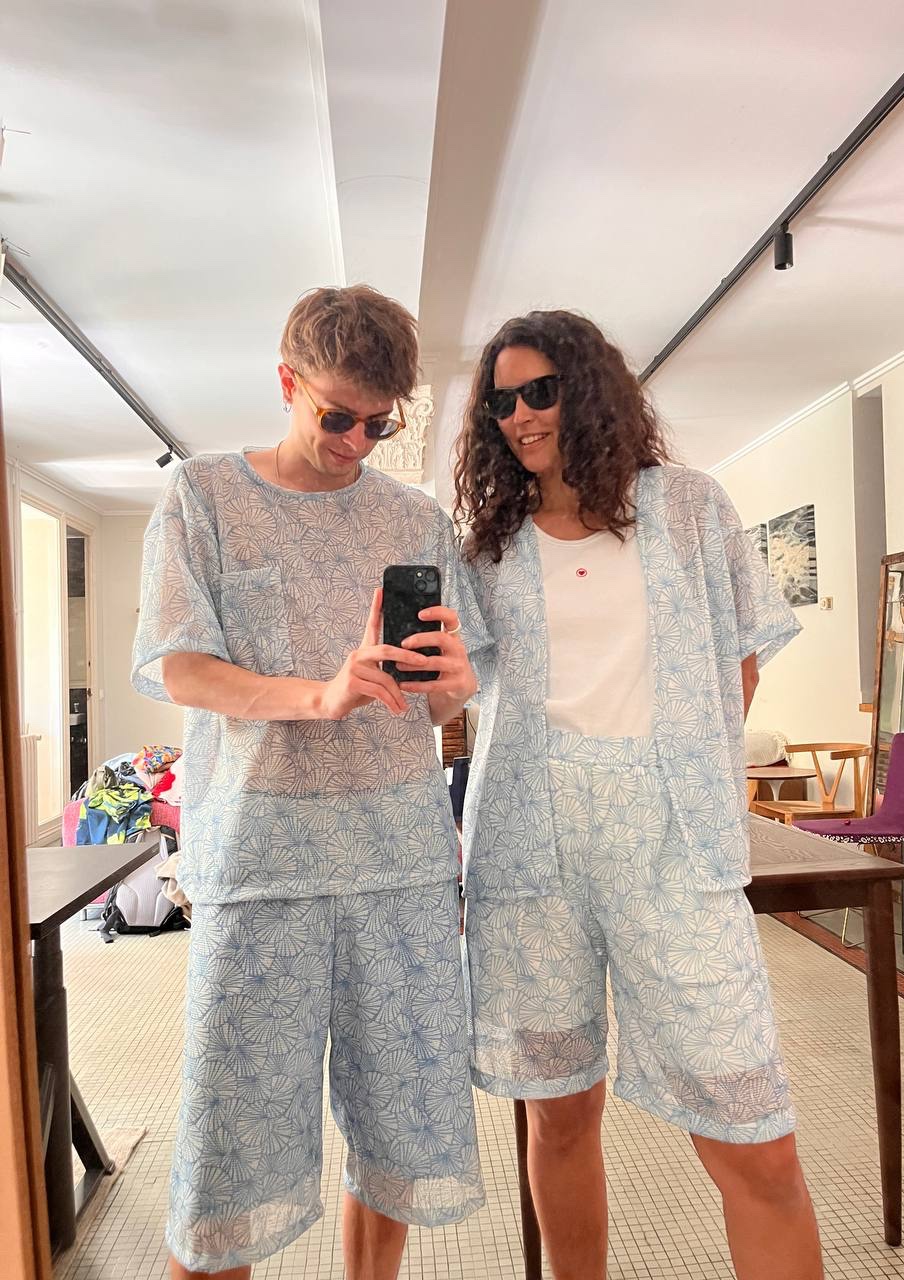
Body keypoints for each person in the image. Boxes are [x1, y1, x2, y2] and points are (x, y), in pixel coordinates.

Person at [453, 310, 824, 1280]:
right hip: (529, 853)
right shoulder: (486, 547)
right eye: (501, 402)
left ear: (589, 387)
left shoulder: (690, 507)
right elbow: (457, 691)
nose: (520, 415)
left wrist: (686, 764)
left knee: (755, 1133)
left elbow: (739, 660)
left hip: (675, 848)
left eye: (539, 391)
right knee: (559, 1111)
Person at [132, 285, 488, 1280]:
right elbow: (179, 667)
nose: (358, 442)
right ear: (287, 383)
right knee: (228, 1150)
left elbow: (431, 705)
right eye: (338, 416)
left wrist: (455, 689)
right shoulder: (203, 495)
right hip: (261, 864)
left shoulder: (415, 518)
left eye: (381, 423)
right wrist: (318, 695)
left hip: (399, 865)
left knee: (395, 1131)